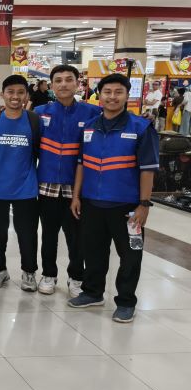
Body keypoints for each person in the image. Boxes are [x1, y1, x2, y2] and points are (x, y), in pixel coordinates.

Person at [69, 73, 160, 323]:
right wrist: (76, 196)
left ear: (127, 95)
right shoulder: (89, 127)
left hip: (127, 207)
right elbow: (81, 164)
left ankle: (126, 301)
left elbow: (148, 169)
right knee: (93, 252)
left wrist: (144, 204)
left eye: (118, 92)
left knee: (130, 256)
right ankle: (92, 292)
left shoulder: (141, 128)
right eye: (107, 92)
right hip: (92, 203)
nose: (112, 97)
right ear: (100, 95)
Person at [33, 65, 102, 297]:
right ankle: (48, 274)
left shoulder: (92, 113)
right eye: (58, 80)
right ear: (51, 85)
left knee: (77, 237)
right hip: (47, 184)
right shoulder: (40, 112)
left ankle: (76, 277)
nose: (63, 84)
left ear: (77, 83)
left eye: (68, 79)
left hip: (77, 187)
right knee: (48, 234)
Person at [0, 74, 40, 291]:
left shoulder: (34, 121)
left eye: (20, 92)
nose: (15, 96)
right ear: (2, 94)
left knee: (27, 234)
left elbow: (39, 151)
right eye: (10, 92)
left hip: (26, 187)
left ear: (26, 96)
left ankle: (29, 272)